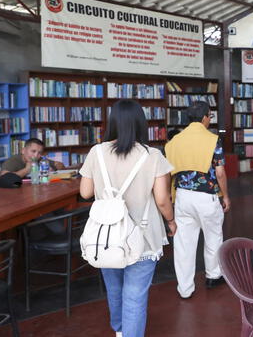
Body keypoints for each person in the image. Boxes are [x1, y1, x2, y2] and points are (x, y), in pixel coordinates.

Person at [79, 100, 176, 337]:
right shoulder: (152, 155)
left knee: (114, 289)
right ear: (140, 123)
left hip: (107, 235)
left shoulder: (97, 152)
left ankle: (120, 332)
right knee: (135, 294)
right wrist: (171, 221)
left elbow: (85, 193)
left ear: (113, 122)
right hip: (142, 235)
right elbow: (162, 199)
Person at [165, 101, 230, 298]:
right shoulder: (213, 140)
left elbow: (168, 174)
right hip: (207, 197)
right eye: (210, 116)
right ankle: (213, 276)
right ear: (204, 118)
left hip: (183, 197)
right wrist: (225, 195)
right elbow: (219, 172)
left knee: (184, 243)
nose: (210, 120)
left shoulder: (173, 142)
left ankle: (185, 289)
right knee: (213, 236)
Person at [0, 138, 64, 178]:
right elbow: (3, 177)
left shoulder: (40, 160)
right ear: (23, 150)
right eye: (33, 151)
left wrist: (53, 169)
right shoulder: (12, 161)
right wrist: (26, 170)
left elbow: (60, 165)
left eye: (39, 153)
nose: (36, 155)